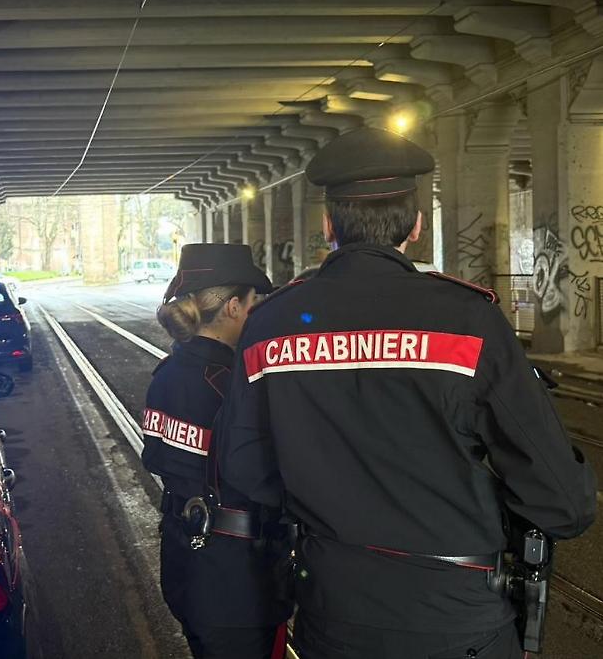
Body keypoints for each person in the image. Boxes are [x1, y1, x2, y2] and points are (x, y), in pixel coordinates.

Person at [216, 127, 597, 659]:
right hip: (457, 619)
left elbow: (244, 475)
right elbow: (563, 504)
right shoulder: (470, 322)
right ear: (416, 227)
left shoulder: (270, 326)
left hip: (333, 613)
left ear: (329, 226)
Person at [143, 243, 290, 659]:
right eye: (252, 301)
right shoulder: (233, 387)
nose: (255, 310)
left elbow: (155, 457)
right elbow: (264, 478)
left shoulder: (166, 374)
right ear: (231, 307)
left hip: (185, 565)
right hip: (238, 581)